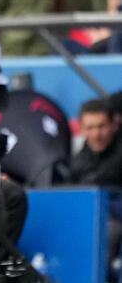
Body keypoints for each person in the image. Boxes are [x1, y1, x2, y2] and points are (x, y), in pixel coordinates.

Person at [69, 98, 122, 274]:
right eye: (90, 128)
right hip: (90, 220)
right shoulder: (76, 164)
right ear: (82, 129)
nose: (96, 134)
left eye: (101, 126)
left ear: (114, 125)